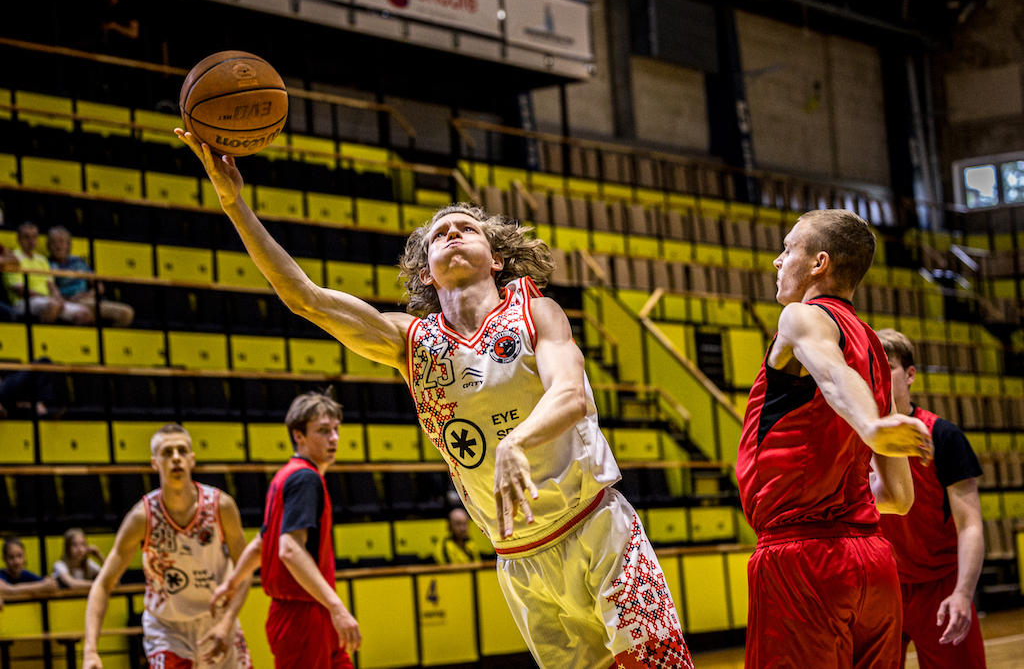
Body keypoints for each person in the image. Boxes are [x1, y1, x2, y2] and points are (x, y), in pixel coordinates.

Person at [180, 128, 692, 669]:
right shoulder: (412, 343)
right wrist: (234, 205)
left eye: (465, 228)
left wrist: (516, 442)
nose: (451, 232)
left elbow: (571, 396)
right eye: (439, 233)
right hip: (519, 558)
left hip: (596, 527)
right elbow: (305, 298)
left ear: (495, 259)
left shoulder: (535, 311)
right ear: (426, 271)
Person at [736, 209, 935, 669]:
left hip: (803, 561)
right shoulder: (875, 350)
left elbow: (831, 371)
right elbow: (899, 497)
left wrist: (871, 427)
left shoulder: (800, 318)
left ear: (818, 263)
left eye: (788, 249)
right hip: (874, 564)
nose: (777, 260)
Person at [210, 391, 360, 669]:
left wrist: (232, 583)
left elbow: (261, 543)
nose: (334, 438)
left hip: (311, 610)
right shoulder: (306, 479)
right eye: (323, 431)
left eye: (336, 429)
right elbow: (289, 548)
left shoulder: (286, 476)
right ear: (298, 435)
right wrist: (337, 606)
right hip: (302, 615)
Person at [83, 424, 252, 669]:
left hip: (217, 621)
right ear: (154, 463)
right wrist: (90, 650)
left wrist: (227, 623)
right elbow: (103, 583)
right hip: (167, 628)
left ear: (192, 459)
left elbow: (245, 571)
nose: (176, 457)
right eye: (167, 452)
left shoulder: (221, 506)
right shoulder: (142, 517)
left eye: (182, 451)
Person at [876, 329, 987, 669]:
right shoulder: (854, 437)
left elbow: (969, 525)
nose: (879, 376)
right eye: (871, 367)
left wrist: (963, 593)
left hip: (940, 587)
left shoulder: (943, 435)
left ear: (910, 374)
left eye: (888, 366)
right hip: (881, 588)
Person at [2, 222, 91, 324]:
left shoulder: (42, 259)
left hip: (47, 300)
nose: (31, 241)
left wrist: (57, 297)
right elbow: (21, 291)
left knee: (84, 313)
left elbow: (51, 285)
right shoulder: (12, 258)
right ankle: (42, 333)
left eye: (34, 237)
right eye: (26, 237)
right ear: (19, 239)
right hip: (23, 302)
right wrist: (49, 298)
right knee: (55, 305)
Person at [47, 226, 135, 327]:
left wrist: (87, 295)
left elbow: (99, 287)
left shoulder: (79, 261)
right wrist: (67, 299)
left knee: (126, 313)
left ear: (68, 245)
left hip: (86, 300)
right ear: (49, 246)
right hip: (65, 303)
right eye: (54, 242)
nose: (58, 246)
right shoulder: (46, 264)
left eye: (61, 241)